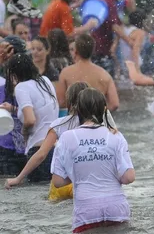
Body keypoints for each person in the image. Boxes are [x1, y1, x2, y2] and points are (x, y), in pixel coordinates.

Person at [51, 88, 134, 232]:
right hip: (116, 208)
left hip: (86, 210)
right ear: (104, 110)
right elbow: (129, 177)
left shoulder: (66, 137)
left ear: (78, 110)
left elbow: (57, 181)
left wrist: (79, 173)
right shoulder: (115, 135)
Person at [4, 82, 88, 197]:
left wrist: (18, 178)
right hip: (89, 184)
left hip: (63, 185)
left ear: (69, 100)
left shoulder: (59, 124)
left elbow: (41, 154)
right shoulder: (100, 123)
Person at [2, 52, 59, 182]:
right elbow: (43, 111)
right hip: (56, 148)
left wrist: (24, 133)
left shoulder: (21, 87)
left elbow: (30, 120)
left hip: (38, 152)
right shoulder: (45, 81)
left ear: (14, 73)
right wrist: (13, 109)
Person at [57, 34, 119, 112]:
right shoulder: (104, 74)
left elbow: (61, 102)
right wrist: (99, 113)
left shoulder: (66, 73)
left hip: (76, 120)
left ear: (76, 51)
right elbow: (115, 104)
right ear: (93, 51)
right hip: (97, 121)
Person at [91, 0, 132, 78]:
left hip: (100, 46)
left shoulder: (107, 1)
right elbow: (115, 27)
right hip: (101, 47)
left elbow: (118, 24)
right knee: (105, 79)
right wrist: (130, 42)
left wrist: (115, 44)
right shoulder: (108, 4)